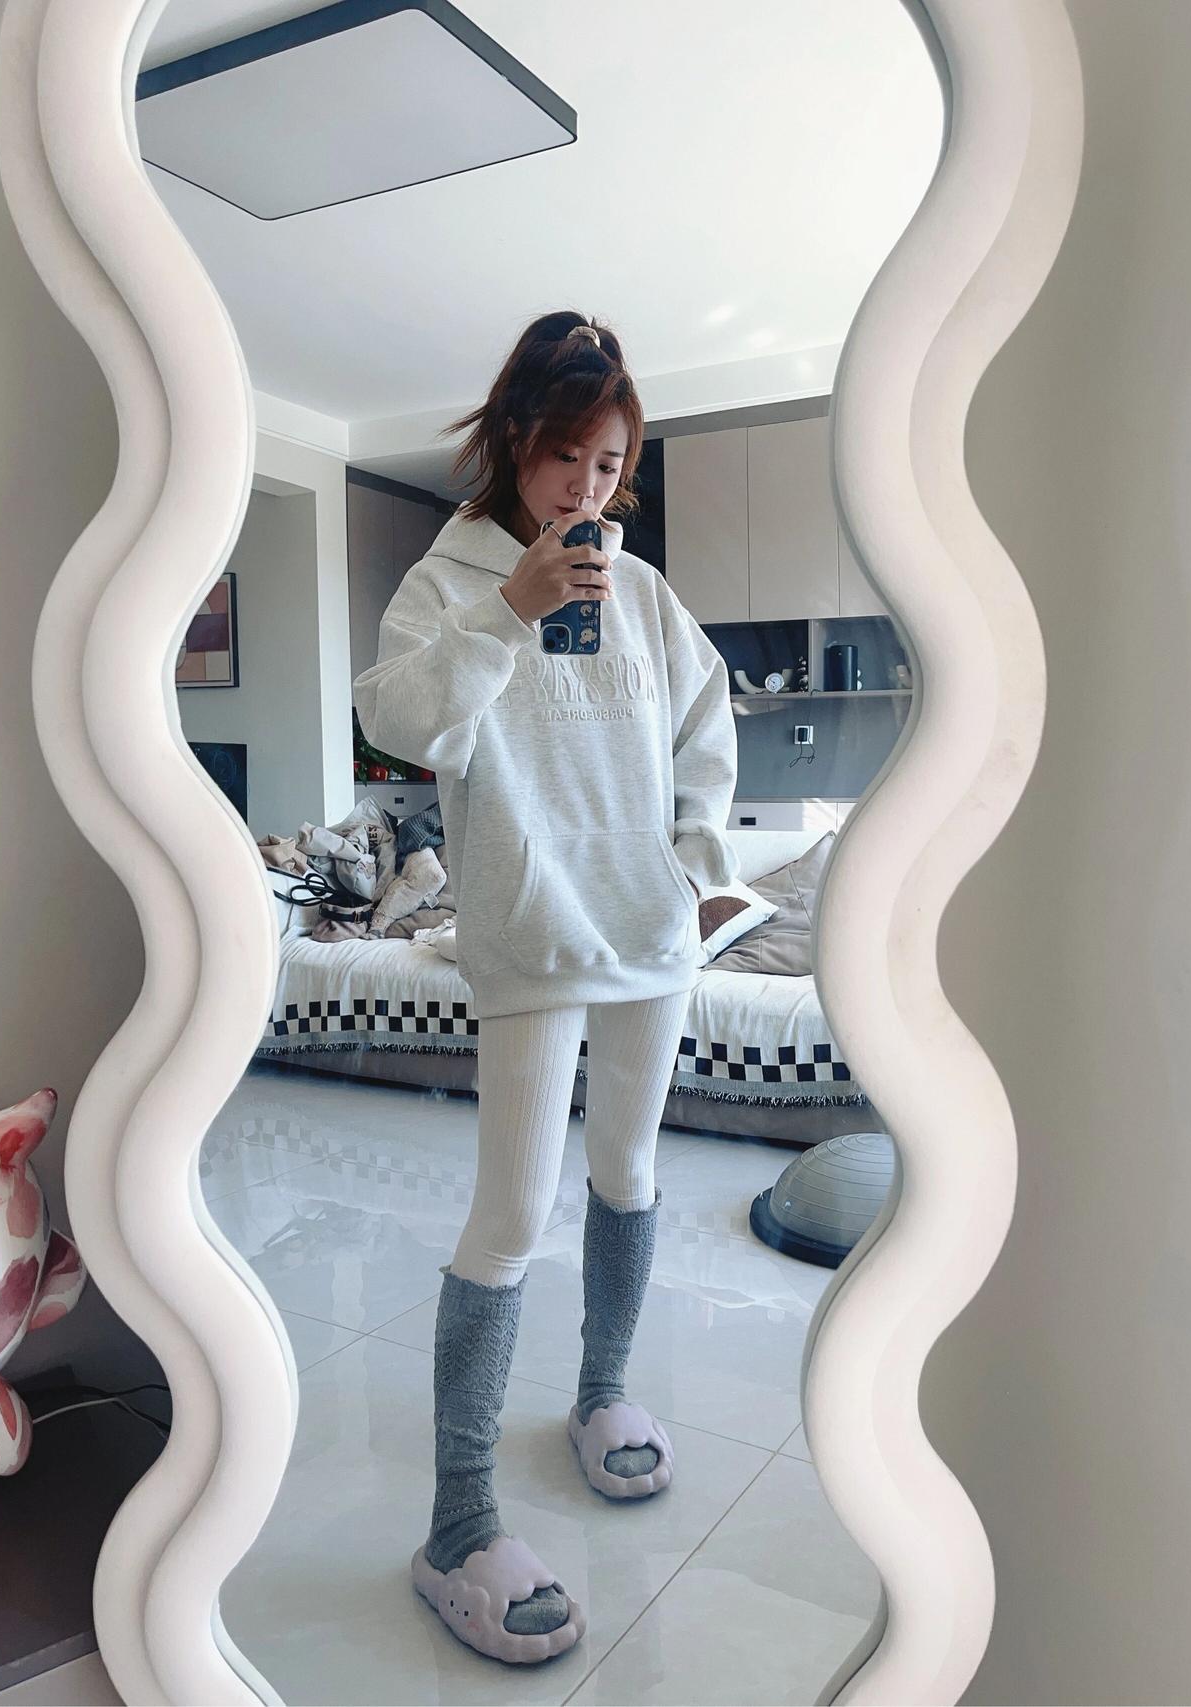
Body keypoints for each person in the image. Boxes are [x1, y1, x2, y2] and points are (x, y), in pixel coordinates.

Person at [353, 310, 738, 1664]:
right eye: (569, 453)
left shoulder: (644, 590)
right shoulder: (451, 577)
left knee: (629, 1173)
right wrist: (510, 610)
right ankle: (458, 1523)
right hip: (529, 931)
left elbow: (706, 721)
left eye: (610, 462)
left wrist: (695, 865)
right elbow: (396, 721)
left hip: (649, 933)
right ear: (519, 441)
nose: (588, 484)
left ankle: (603, 1395)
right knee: (510, 1215)